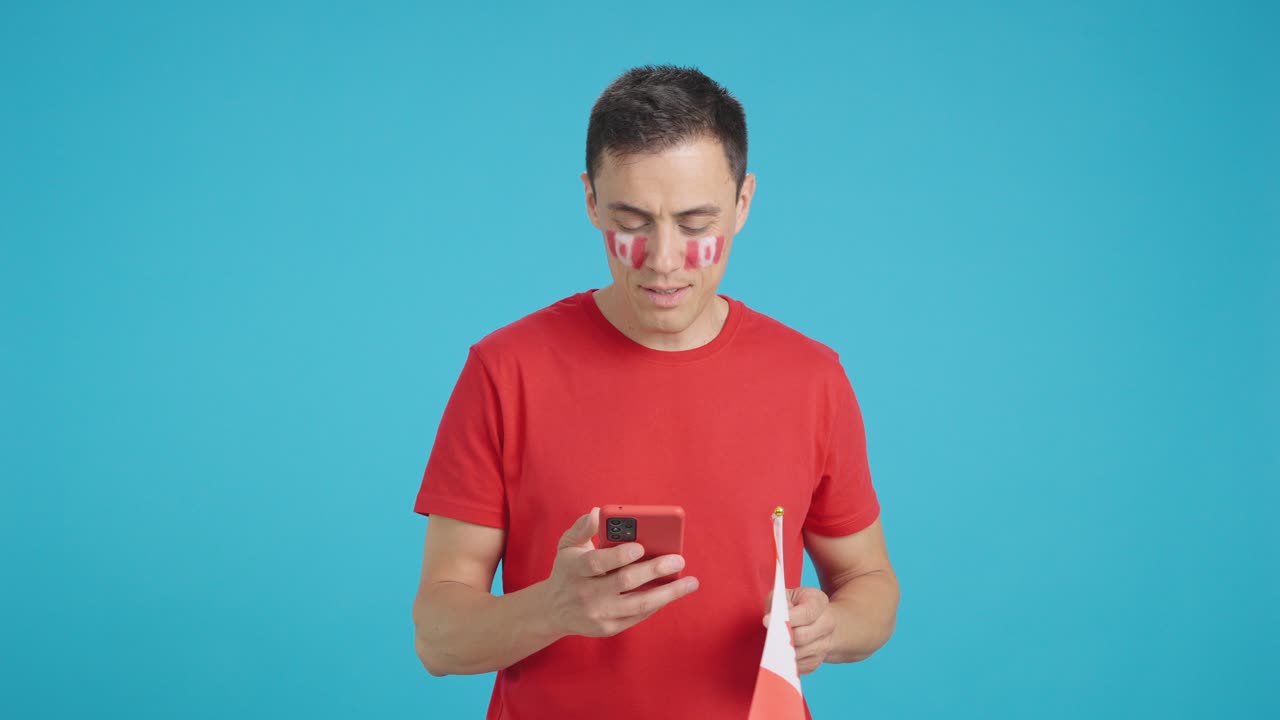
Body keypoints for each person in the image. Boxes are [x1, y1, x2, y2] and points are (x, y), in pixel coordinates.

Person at [410, 65, 899, 719]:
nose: (663, 258)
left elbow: (870, 583)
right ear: (589, 200)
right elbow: (438, 638)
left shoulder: (811, 377)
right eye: (631, 221)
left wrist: (832, 628)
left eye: (697, 224)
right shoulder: (505, 371)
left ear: (744, 203)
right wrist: (553, 609)